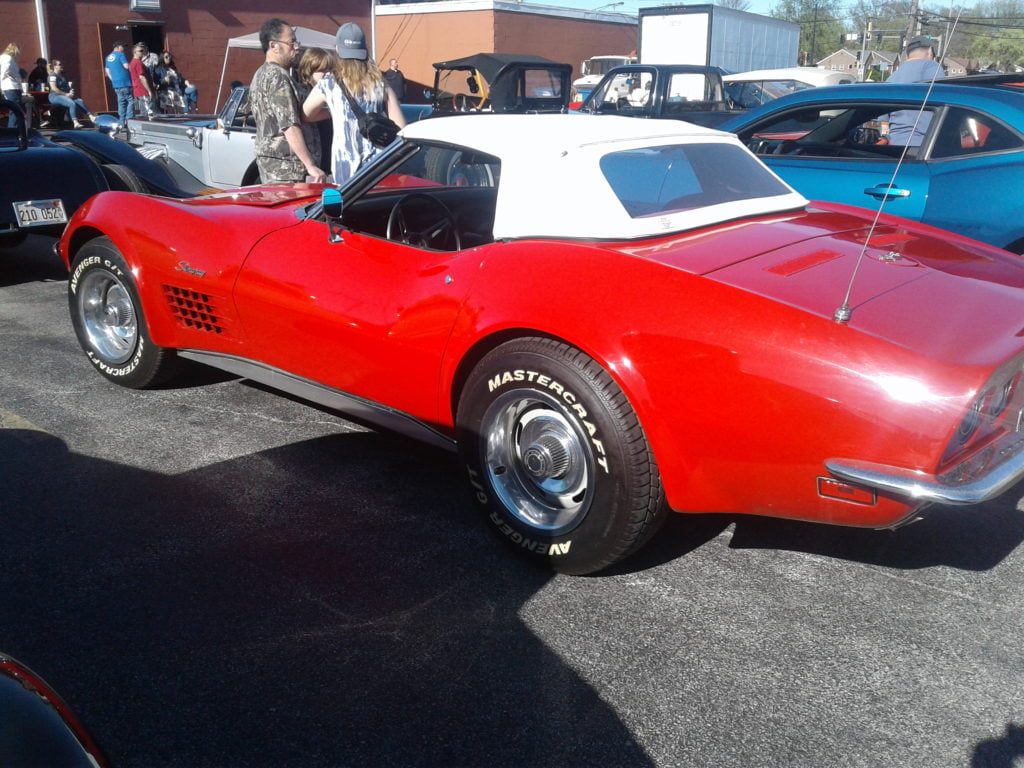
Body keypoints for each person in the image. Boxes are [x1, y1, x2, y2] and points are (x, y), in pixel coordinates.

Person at [302, 23, 405, 184]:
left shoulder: (329, 84)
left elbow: (306, 114)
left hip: (345, 167)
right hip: (378, 166)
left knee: (347, 207)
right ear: (364, 52)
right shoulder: (380, 84)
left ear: (338, 50)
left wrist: (334, 112)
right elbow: (402, 129)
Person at [249, 18, 326, 184]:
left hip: (274, 165)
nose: (296, 47)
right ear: (273, 46)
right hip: (287, 170)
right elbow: (289, 125)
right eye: (291, 42)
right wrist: (310, 165)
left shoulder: (260, 75)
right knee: (295, 210)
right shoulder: (278, 77)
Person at [880, 35, 946, 147]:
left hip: (896, 145)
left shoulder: (892, 78)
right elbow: (944, 100)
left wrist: (885, 136)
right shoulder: (932, 67)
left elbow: (883, 118)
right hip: (924, 145)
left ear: (907, 55)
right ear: (930, 51)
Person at [296, 47, 336, 170]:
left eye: (330, 70)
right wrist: (332, 111)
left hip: (331, 158)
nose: (328, 74)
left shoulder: (332, 93)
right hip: (312, 162)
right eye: (322, 70)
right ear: (309, 71)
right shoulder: (302, 95)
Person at [46, 59, 98, 128]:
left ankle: (91, 117)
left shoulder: (63, 76)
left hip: (64, 95)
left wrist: (70, 91)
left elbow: (67, 88)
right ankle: (75, 122)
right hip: (54, 96)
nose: (62, 65)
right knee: (71, 103)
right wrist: (66, 94)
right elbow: (54, 88)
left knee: (79, 101)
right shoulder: (52, 76)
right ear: (55, 66)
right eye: (60, 64)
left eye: (61, 64)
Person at [104, 41, 134, 123]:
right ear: (118, 47)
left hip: (116, 84)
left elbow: (107, 70)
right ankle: (129, 120)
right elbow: (126, 66)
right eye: (123, 47)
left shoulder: (108, 57)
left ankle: (121, 122)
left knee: (121, 103)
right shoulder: (121, 55)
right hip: (125, 82)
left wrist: (113, 80)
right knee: (131, 101)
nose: (124, 49)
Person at [129, 43, 156, 117]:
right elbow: (142, 77)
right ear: (135, 52)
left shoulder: (133, 62)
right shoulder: (138, 63)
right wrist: (149, 90)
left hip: (139, 90)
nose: (142, 52)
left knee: (144, 111)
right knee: (149, 112)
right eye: (140, 51)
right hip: (143, 90)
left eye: (143, 50)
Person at [1, 43, 24, 127]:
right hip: (12, 87)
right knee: (15, 110)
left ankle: (13, 129)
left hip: (8, 87)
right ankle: (13, 130)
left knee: (13, 110)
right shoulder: (9, 59)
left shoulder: (2, 58)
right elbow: (4, 71)